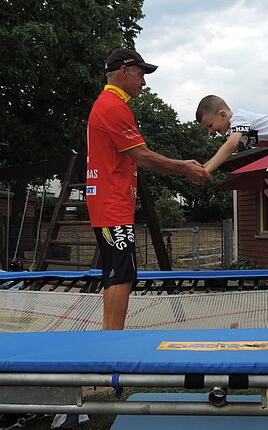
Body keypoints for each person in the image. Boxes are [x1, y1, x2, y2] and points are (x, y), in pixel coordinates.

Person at [86, 48, 211, 330]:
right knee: (121, 275)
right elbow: (142, 156)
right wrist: (185, 167)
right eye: (141, 74)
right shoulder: (113, 106)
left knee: (118, 273)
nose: (144, 82)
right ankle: (112, 340)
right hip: (111, 204)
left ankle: (110, 336)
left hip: (111, 201)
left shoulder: (110, 104)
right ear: (123, 72)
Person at [195, 95, 268, 250]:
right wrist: (203, 168)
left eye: (210, 125)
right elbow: (226, 151)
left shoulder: (239, 118)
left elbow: (230, 146)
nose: (211, 131)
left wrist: (205, 171)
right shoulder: (235, 127)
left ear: (223, 115)